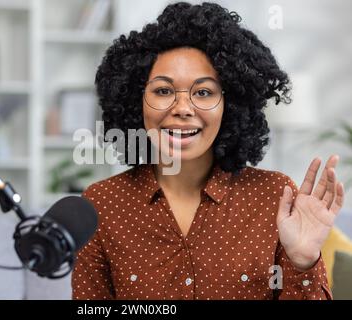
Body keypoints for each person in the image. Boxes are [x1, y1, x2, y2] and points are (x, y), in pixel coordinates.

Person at [71, 1, 344, 300]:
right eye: (163, 91)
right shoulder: (102, 206)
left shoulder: (275, 197)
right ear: (136, 101)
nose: (183, 109)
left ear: (231, 104)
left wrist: (303, 261)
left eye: (203, 92)